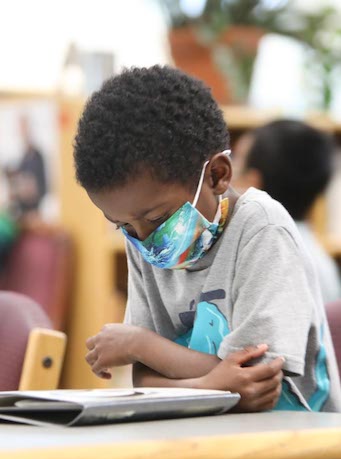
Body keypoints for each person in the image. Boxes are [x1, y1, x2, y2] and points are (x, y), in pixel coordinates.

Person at [74, 66, 341, 417]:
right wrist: (211, 384)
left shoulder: (262, 229)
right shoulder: (141, 237)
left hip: (295, 444)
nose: (144, 239)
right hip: (202, 435)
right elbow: (144, 377)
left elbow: (258, 380)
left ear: (217, 175)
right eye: (122, 224)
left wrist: (140, 344)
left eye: (157, 219)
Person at [232, 119, 341, 304]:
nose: (227, 174)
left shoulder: (263, 259)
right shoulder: (319, 260)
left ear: (252, 183)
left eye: (235, 161)